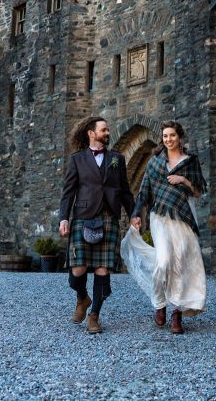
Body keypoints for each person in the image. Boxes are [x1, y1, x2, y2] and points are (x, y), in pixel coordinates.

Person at [124, 120, 207, 335]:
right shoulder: (154, 163)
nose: (168, 139)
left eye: (172, 135)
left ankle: (176, 313)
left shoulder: (191, 162)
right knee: (163, 261)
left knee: (179, 263)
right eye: (165, 136)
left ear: (179, 137)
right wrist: (135, 215)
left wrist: (184, 181)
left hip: (184, 217)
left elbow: (198, 192)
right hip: (160, 216)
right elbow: (143, 193)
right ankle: (159, 301)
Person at [58, 116, 133, 334]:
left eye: (108, 130)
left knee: (102, 270)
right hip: (83, 216)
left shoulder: (117, 158)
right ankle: (82, 297)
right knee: (77, 270)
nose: (108, 133)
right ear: (91, 133)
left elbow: (125, 191)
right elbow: (68, 192)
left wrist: (134, 213)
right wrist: (64, 217)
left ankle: (94, 316)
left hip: (108, 216)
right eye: (104, 130)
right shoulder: (77, 159)